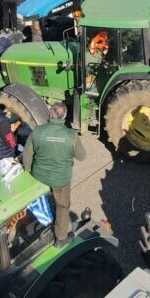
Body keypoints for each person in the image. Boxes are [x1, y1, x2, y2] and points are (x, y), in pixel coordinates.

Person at [23, 102, 85, 247]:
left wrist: (27, 170)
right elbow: (81, 156)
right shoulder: (71, 135)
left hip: (39, 175)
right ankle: (61, 238)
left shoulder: (37, 131)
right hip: (60, 180)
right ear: (64, 116)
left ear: (50, 115)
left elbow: (27, 154)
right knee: (62, 207)